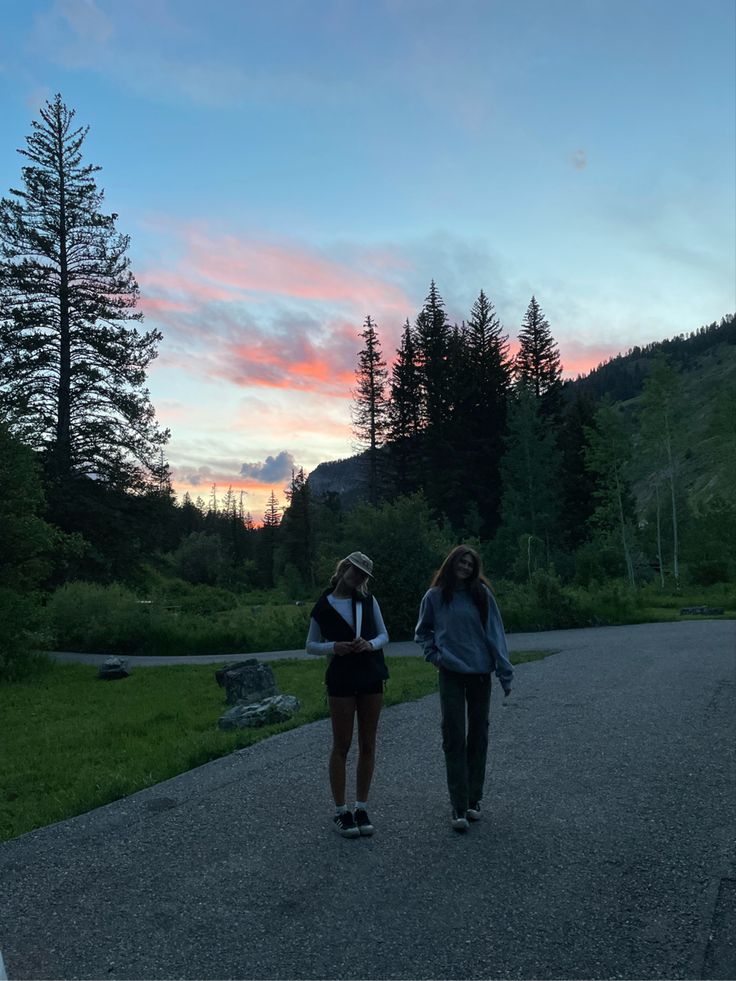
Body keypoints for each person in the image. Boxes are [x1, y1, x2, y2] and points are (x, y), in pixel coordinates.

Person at [414, 545, 513, 831]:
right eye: (461, 562)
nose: (465, 568)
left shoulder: (482, 595)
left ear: (474, 568)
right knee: (453, 734)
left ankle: (473, 800)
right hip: (451, 674)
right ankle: (458, 804)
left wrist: (505, 673)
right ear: (451, 564)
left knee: (478, 735)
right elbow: (422, 632)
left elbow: (496, 633)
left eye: (470, 564)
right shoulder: (435, 597)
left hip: (481, 673)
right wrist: (435, 656)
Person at [306, 551, 389, 838]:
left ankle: (361, 806)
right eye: (355, 571)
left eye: (363, 575)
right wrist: (334, 648)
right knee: (341, 745)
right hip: (340, 680)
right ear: (343, 569)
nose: (358, 578)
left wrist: (370, 644)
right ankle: (341, 811)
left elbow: (384, 636)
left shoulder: (368, 601)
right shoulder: (323, 606)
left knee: (368, 744)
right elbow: (310, 645)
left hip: (370, 675)